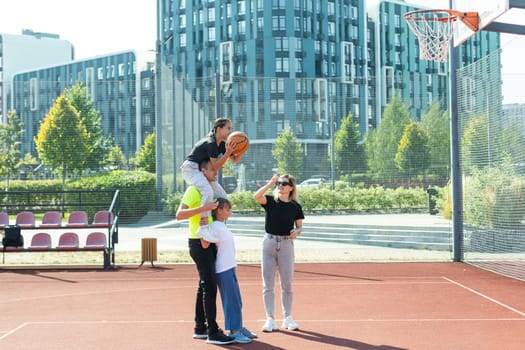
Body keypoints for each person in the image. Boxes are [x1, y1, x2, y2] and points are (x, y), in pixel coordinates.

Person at [175, 159, 235, 345]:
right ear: (202, 171)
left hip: (207, 242)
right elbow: (179, 215)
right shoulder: (194, 190)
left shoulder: (211, 190)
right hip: (198, 243)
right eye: (212, 169)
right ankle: (212, 332)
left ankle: (200, 327)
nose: (215, 172)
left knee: (204, 285)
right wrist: (204, 208)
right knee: (209, 287)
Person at [253, 174, 304, 332]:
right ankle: (270, 319)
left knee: (287, 284)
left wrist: (297, 232)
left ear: (291, 187)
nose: (280, 185)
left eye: (284, 183)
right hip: (268, 243)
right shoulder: (270, 201)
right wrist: (270, 183)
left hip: (286, 244)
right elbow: (256, 196)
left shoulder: (295, 206)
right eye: (279, 183)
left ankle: (288, 317)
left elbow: (299, 227)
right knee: (268, 285)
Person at [205, 197, 258, 343]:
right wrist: (202, 226)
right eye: (227, 209)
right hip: (222, 269)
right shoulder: (214, 226)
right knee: (231, 301)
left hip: (230, 267)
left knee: (237, 300)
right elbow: (202, 236)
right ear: (219, 210)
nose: (230, 212)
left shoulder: (221, 225)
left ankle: (239, 327)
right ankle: (234, 331)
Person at [180, 117, 242, 237]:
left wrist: (242, 148)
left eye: (231, 129)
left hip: (202, 170)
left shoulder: (221, 144)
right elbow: (216, 166)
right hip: (191, 169)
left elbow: (235, 159)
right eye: (228, 128)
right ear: (219, 129)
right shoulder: (211, 143)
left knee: (223, 195)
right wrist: (228, 152)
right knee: (207, 191)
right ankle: (204, 227)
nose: (231, 131)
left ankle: (218, 225)